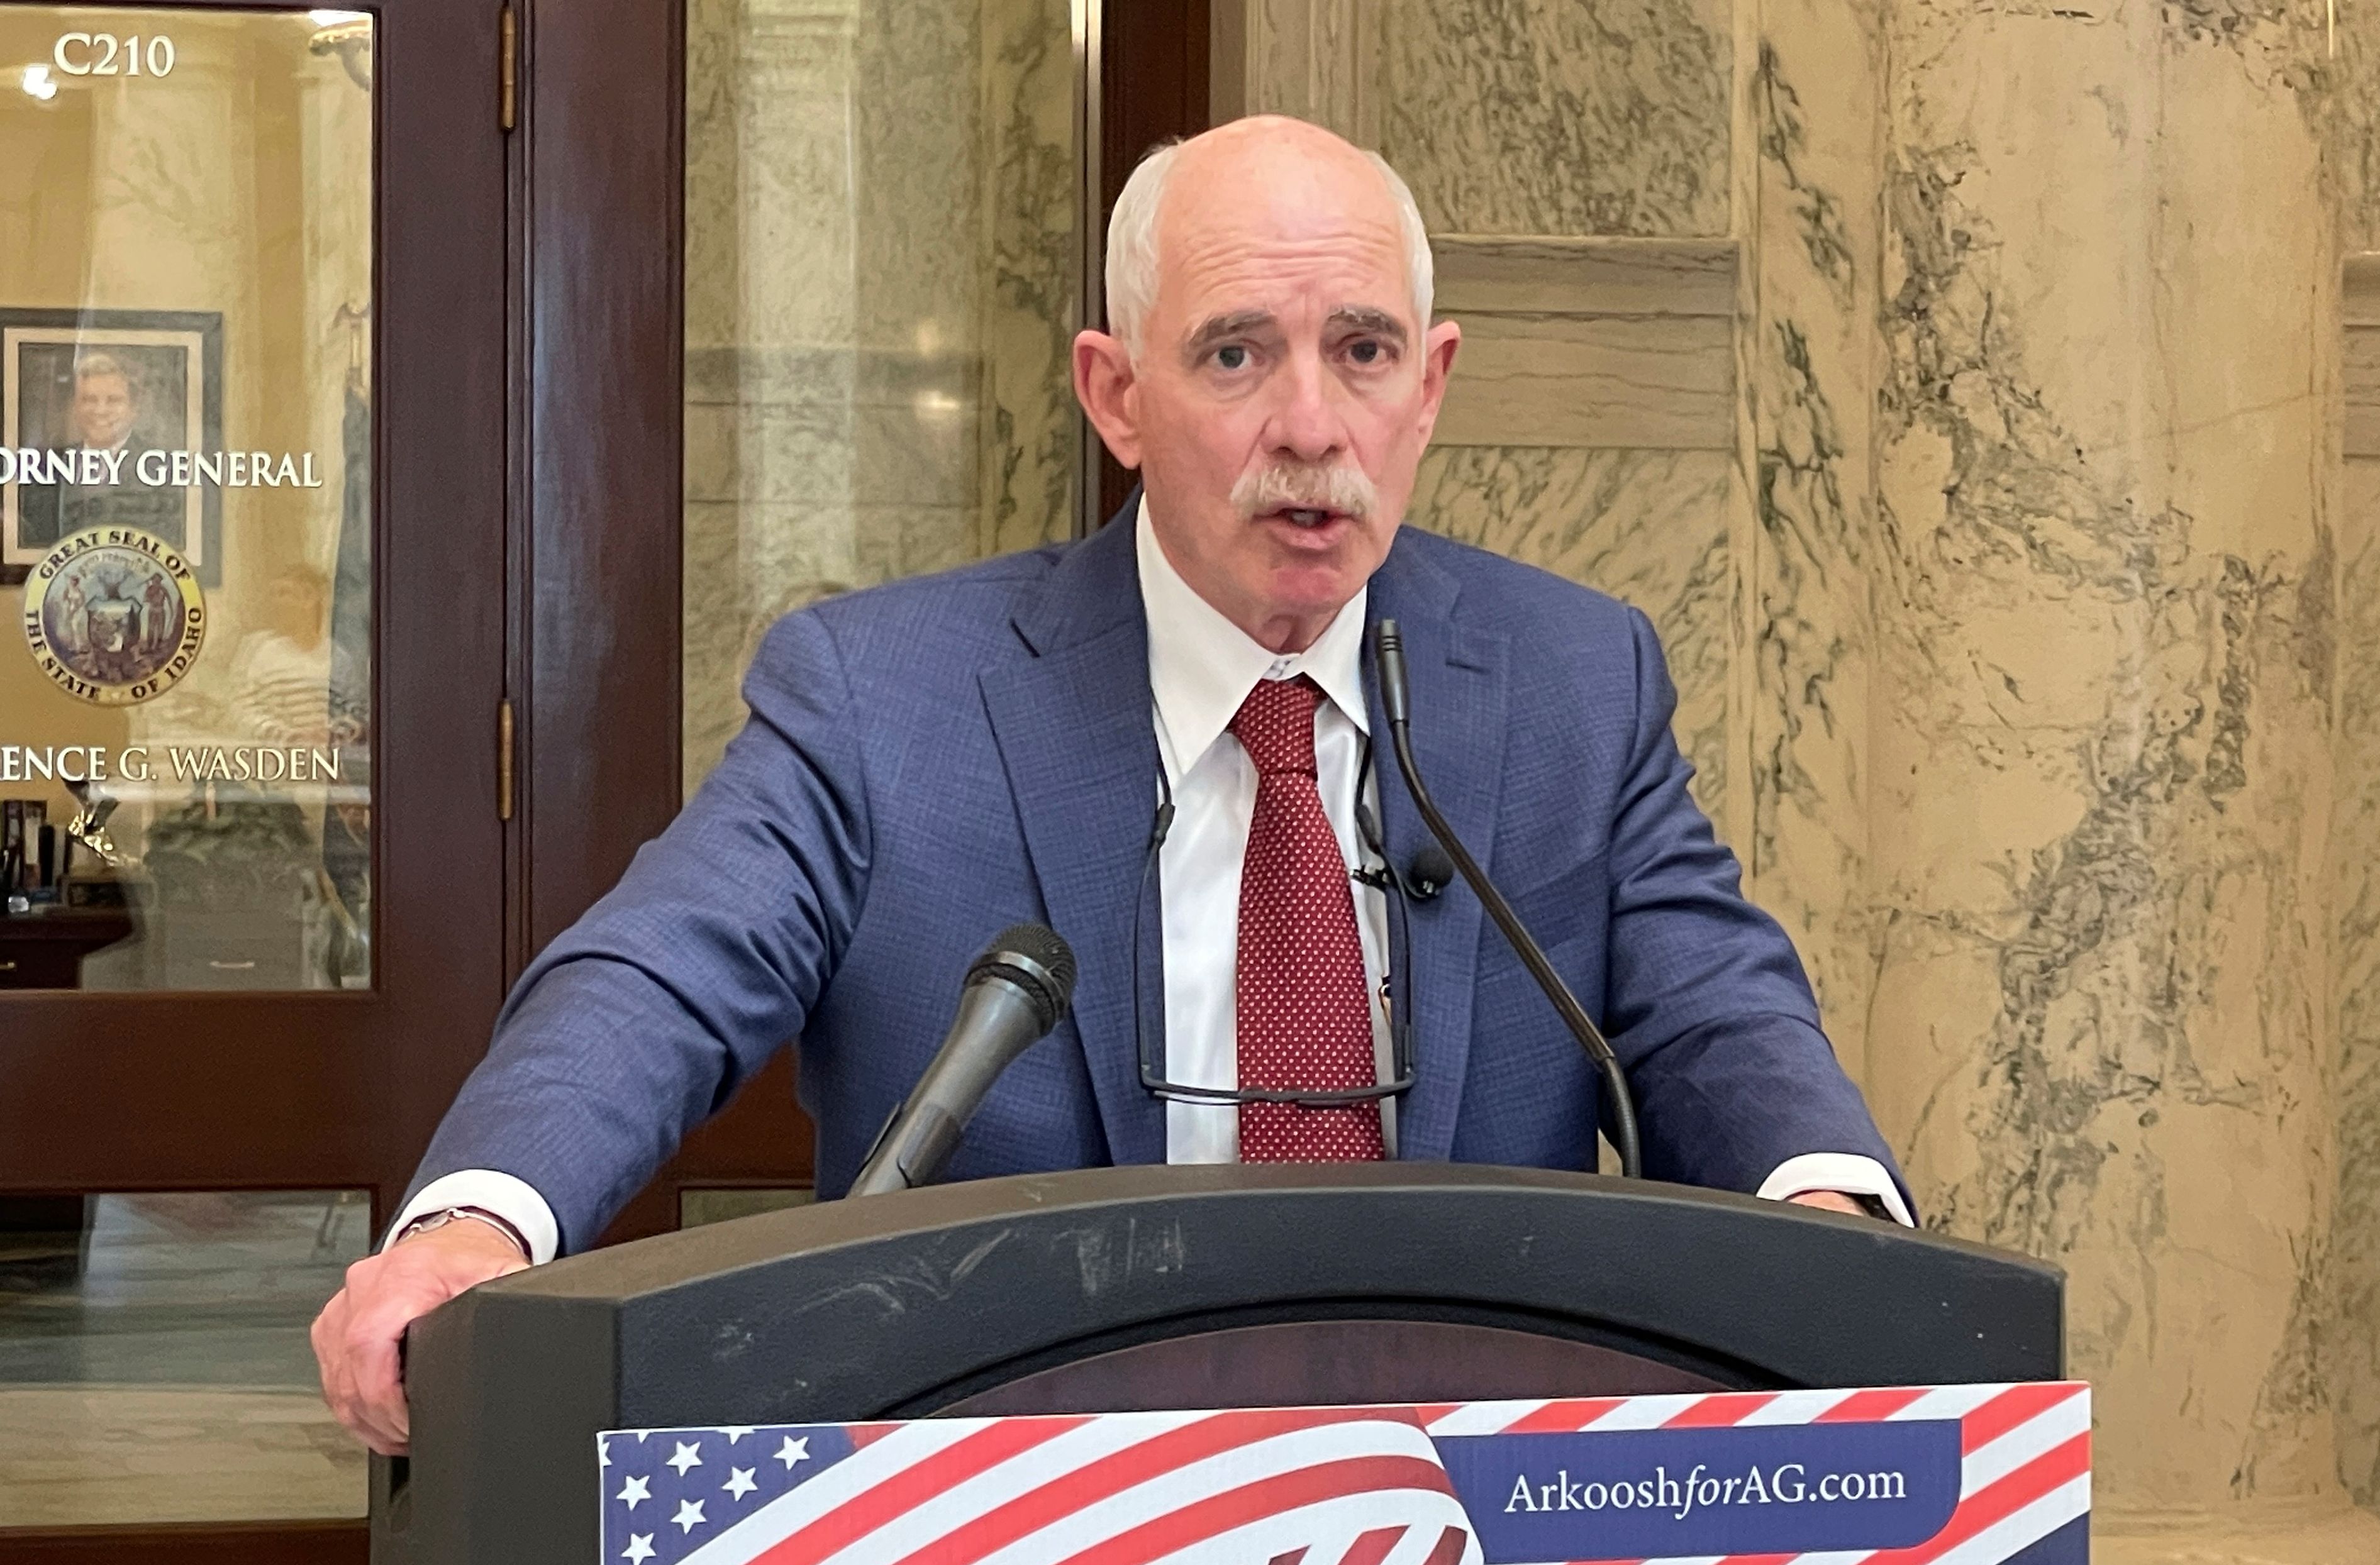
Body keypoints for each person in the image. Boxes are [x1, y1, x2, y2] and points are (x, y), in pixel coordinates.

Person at [313, 116, 1914, 1456]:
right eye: (1235, 352)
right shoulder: (886, 697)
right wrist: (476, 1225)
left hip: (1457, 1506)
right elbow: (657, 970)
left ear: (1427, 385)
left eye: (1360, 353)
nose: (1309, 426)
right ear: (1113, 393)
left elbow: (1715, 1008)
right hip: (1018, 1501)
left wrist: (1831, 1217)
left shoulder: (1577, 678)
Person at [16, 351, 186, 551]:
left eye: (113, 400)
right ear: (75, 406)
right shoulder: (46, 467)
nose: (100, 410)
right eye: (89, 399)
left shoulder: (165, 470)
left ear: (134, 407)